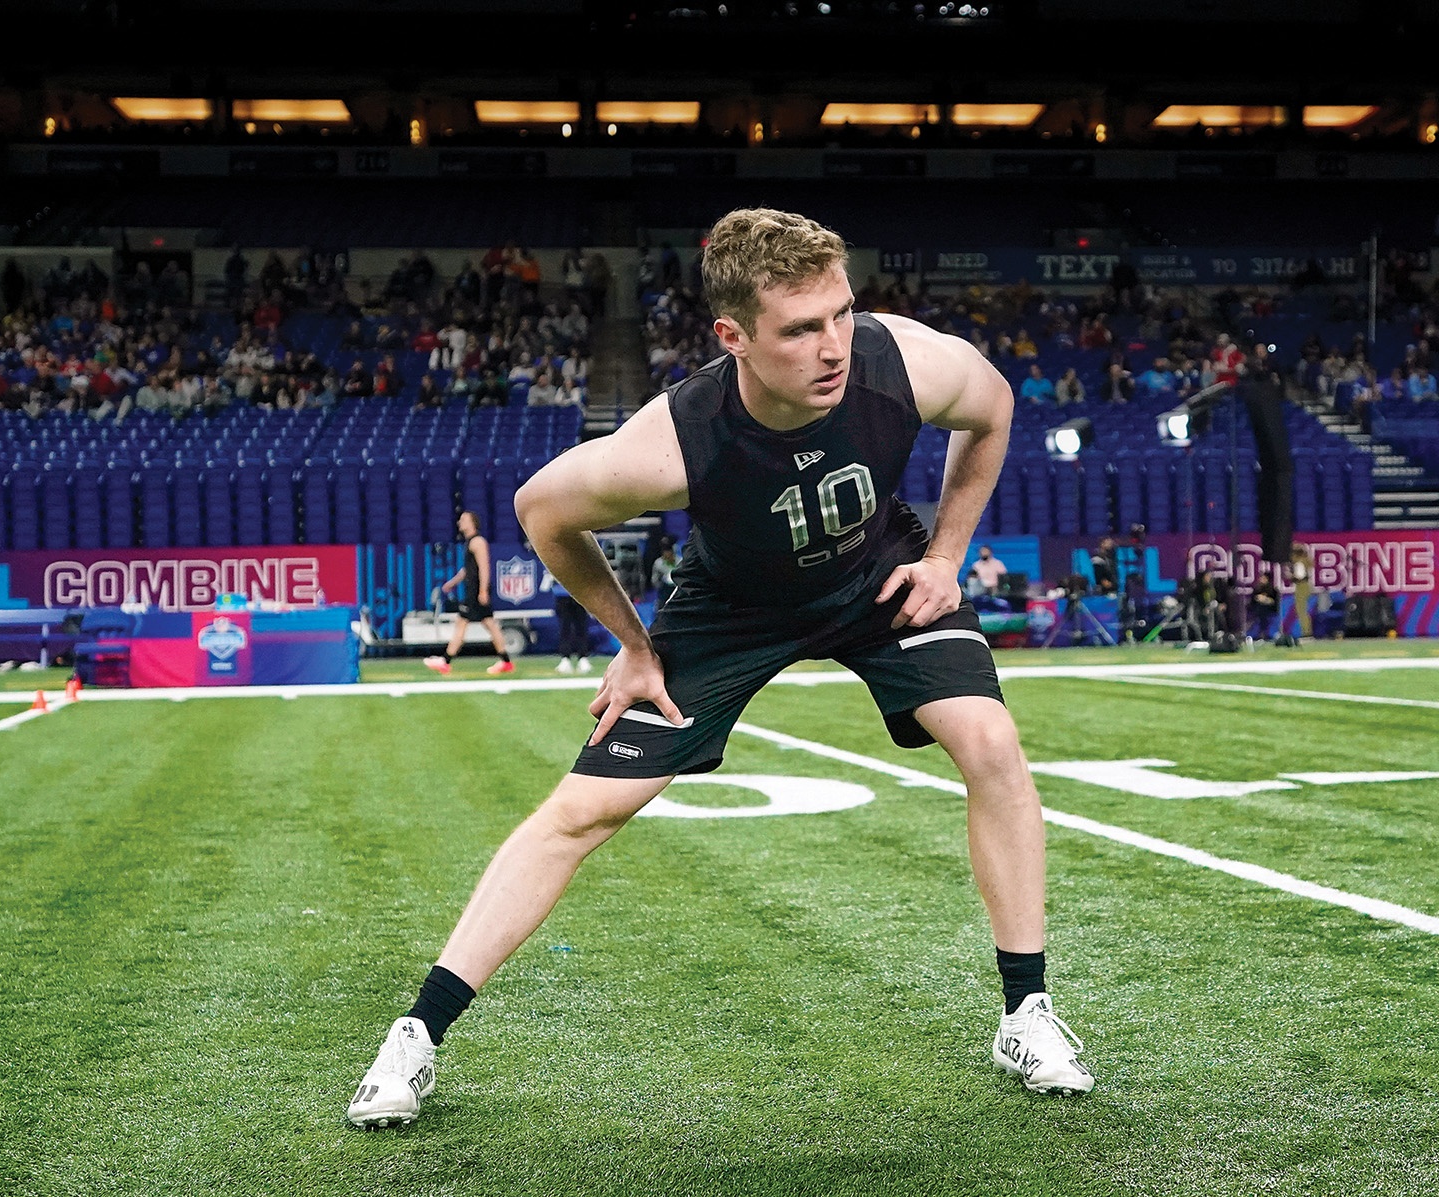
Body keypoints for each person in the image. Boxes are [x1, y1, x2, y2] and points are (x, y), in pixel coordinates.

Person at [349, 208, 1090, 1129]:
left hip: (873, 576)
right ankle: (416, 1033)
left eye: (841, 315)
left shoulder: (906, 361)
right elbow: (542, 510)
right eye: (800, 329)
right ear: (732, 337)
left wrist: (943, 557)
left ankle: (1026, 1011)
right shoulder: (675, 442)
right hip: (732, 608)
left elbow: (994, 410)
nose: (834, 348)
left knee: (991, 741)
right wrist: (633, 642)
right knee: (583, 811)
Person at [424, 511, 515, 677]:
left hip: (476, 591)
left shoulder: (478, 542)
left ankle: (445, 661)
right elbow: (468, 569)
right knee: (490, 625)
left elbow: (484, 567)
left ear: (473, 523)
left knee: (462, 623)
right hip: (474, 590)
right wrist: (452, 583)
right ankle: (506, 661)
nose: (460, 523)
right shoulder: (470, 543)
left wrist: (482, 591)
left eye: (464, 520)